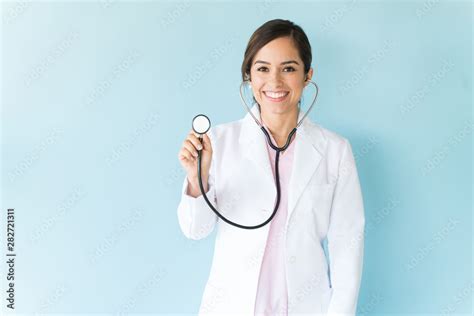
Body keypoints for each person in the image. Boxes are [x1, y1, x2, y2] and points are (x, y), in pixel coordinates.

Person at [177, 19, 365, 316]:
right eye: (263, 68)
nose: (275, 82)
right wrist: (197, 177)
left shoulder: (335, 151)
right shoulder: (219, 142)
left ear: (307, 76)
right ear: (248, 76)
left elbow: (348, 246)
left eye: (288, 68)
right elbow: (195, 230)